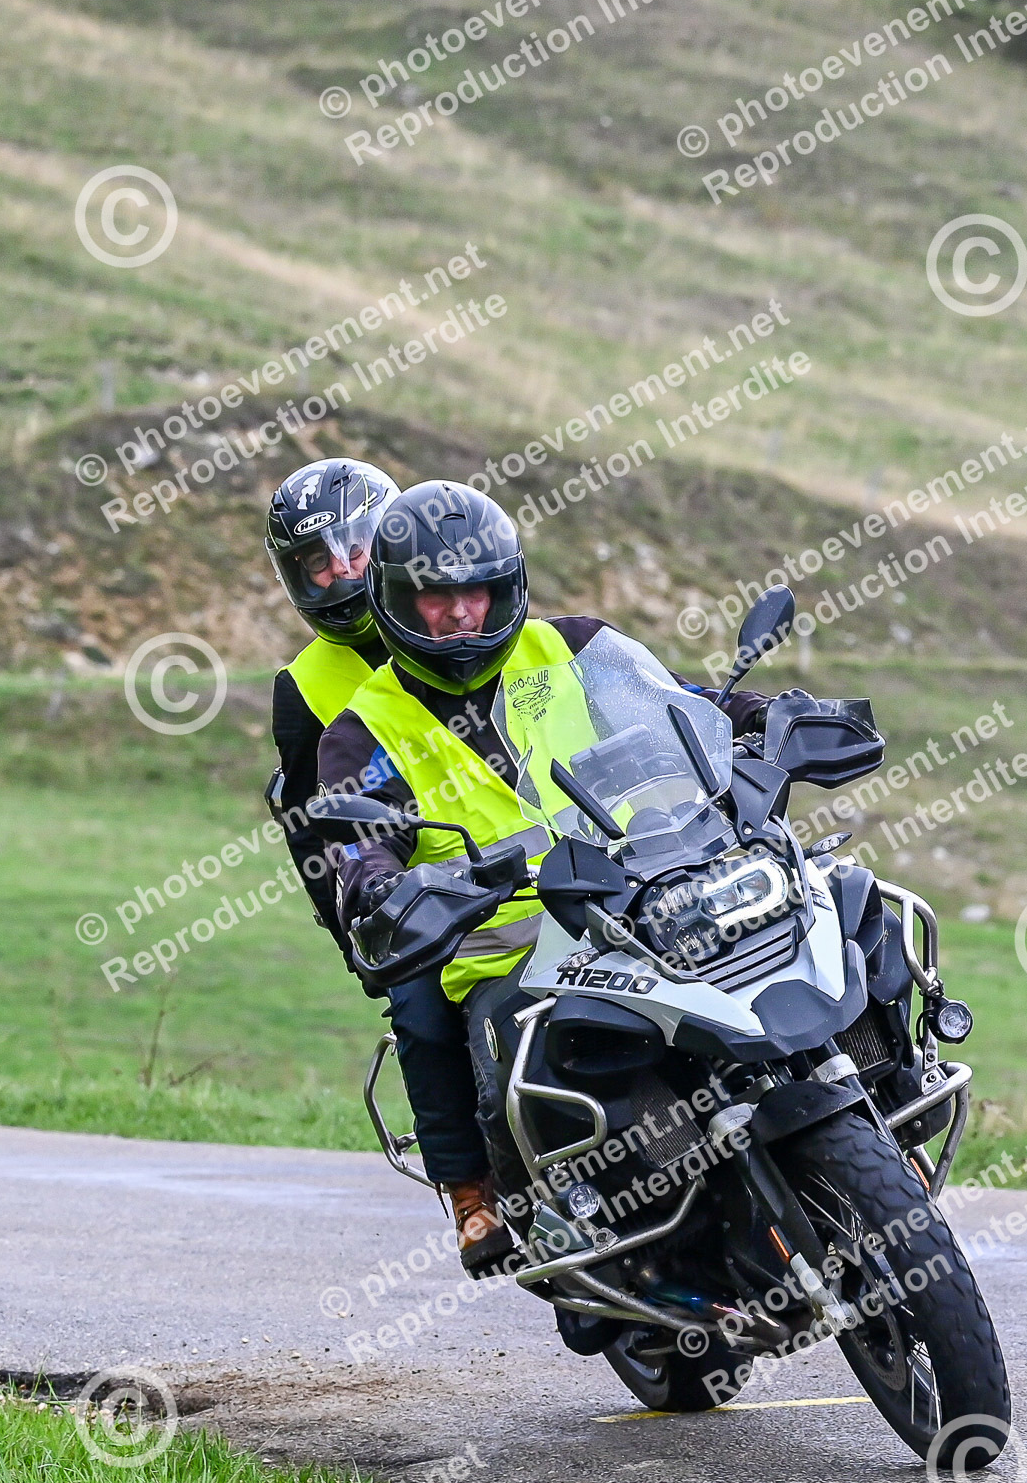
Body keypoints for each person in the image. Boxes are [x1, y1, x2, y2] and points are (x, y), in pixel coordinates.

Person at [316, 479, 769, 1272]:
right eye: (435, 597)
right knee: (453, 1036)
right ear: (394, 600)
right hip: (504, 946)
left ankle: (864, 1111)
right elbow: (359, 839)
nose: (461, 613)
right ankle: (490, 1195)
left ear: (508, 587)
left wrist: (768, 714)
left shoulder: (575, 649)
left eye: (478, 591)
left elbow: (679, 703)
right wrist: (380, 884)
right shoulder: (365, 730)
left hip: (641, 893)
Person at [265, 457, 402, 951]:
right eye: (319, 562)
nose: (341, 571)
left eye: (354, 549)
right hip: (418, 912)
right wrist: (360, 949)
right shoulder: (300, 686)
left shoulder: (460, 623)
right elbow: (308, 831)